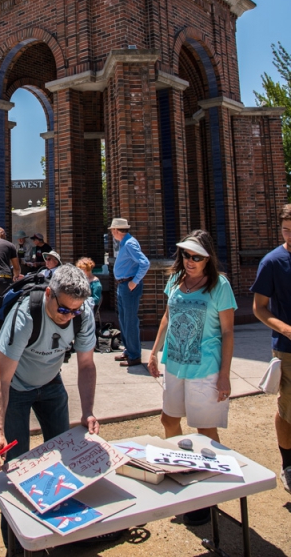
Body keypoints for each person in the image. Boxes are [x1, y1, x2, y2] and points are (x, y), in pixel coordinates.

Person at [0, 263, 98, 543]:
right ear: (49, 294)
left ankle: (62, 531)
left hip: (51, 384)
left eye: (74, 311)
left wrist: (87, 412)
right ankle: (15, 542)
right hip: (17, 389)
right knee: (16, 467)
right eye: (64, 310)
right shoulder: (25, 315)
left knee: (64, 455)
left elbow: (86, 365)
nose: (69, 317)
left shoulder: (81, 314)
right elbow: (1, 378)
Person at [148, 230, 237, 526]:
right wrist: (154, 350)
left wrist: (224, 375)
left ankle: (210, 489)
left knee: (204, 429)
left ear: (208, 258)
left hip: (206, 366)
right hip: (175, 362)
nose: (189, 261)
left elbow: (227, 332)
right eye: (186, 254)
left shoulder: (219, 286)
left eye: (196, 256)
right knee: (169, 419)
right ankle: (183, 470)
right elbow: (167, 316)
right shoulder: (176, 280)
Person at [252, 203, 291, 494]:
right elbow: (260, 308)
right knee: (288, 408)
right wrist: (286, 329)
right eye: (286, 230)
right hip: (288, 349)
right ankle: (288, 463)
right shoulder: (273, 262)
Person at [110, 217, 149, 367]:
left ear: (116, 230)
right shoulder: (125, 242)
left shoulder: (130, 243)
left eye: (113, 230)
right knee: (124, 319)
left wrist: (134, 281)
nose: (112, 233)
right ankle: (129, 351)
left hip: (129, 285)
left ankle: (134, 355)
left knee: (130, 321)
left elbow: (144, 263)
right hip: (123, 285)